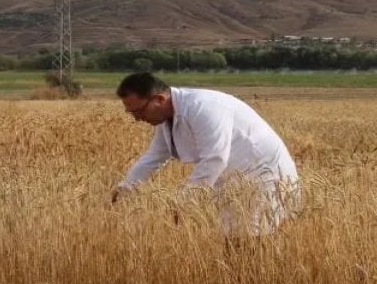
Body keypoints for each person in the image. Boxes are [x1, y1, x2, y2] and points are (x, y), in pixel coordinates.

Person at [111, 72, 300, 237]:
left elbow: (215, 158)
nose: (137, 118)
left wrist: (186, 200)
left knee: (249, 242)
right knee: (234, 240)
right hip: (233, 180)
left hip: (262, 176)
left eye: (138, 111)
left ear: (159, 99)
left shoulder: (203, 107)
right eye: (131, 113)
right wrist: (125, 189)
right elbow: (154, 157)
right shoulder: (167, 118)